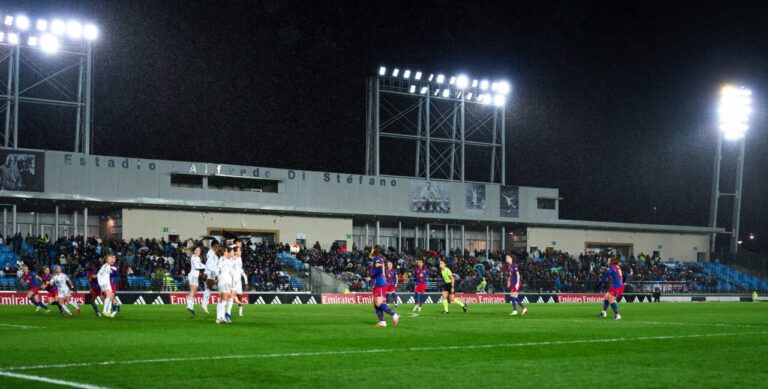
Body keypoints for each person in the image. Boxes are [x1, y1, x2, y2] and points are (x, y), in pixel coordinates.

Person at [365, 245, 399, 327]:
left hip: (380, 283)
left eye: (372, 249)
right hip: (378, 283)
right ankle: (382, 322)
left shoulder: (377, 259)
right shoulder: (377, 259)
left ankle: (394, 315)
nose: (371, 250)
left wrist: (371, 277)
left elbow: (380, 270)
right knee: (376, 303)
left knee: (378, 302)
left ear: (375, 250)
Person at [597, 255, 624, 320]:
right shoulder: (617, 267)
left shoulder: (611, 267)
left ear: (611, 261)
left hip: (617, 287)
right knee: (606, 297)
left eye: (609, 260)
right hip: (615, 286)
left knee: (611, 300)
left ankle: (617, 315)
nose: (608, 261)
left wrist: (601, 281)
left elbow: (607, 274)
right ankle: (604, 312)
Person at [216, 245, 235, 324]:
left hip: (225, 281)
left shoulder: (227, 260)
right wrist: (218, 276)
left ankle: (219, 317)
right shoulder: (223, 259)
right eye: (232, 251)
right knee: (224, 300)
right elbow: (217, 269)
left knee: (221, 300)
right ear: (226, 252)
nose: (233, 253)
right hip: (225, 281)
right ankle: (221, 317)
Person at [230, 240, 249, 317]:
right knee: (231, 297)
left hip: (238, 280)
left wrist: (246, 281)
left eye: (241, 244)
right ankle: (228, 312)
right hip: (232, 279)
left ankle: (240, 312)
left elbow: (240, 269)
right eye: (239, 243)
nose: (240, 245)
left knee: (240, 296)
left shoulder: (239, 256)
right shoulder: (231, 254)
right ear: (235, 244)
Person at [202, 240, 220, 314]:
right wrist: (215, 272)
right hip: (211, 272)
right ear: (213, 245)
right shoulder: (211, 254)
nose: (218, 247)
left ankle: (204, 303)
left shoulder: (213, 253)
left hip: (212, 272)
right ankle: (204, 303)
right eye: (217, 245)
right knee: (209, 287)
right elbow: (208, 265)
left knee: (209, 288)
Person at [186, 247, 205, 315]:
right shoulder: (194, 257)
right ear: (194, 251)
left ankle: (191, 305)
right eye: (198, 250)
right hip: (193, 275)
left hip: (195, 276)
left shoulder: (197, 257)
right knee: (193, 290)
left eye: (200, 250)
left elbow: (200, 265)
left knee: (195, 291)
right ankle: (189, 305)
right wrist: (206, 267)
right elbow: (197, 266)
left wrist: (206, 266)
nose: (199, 251)